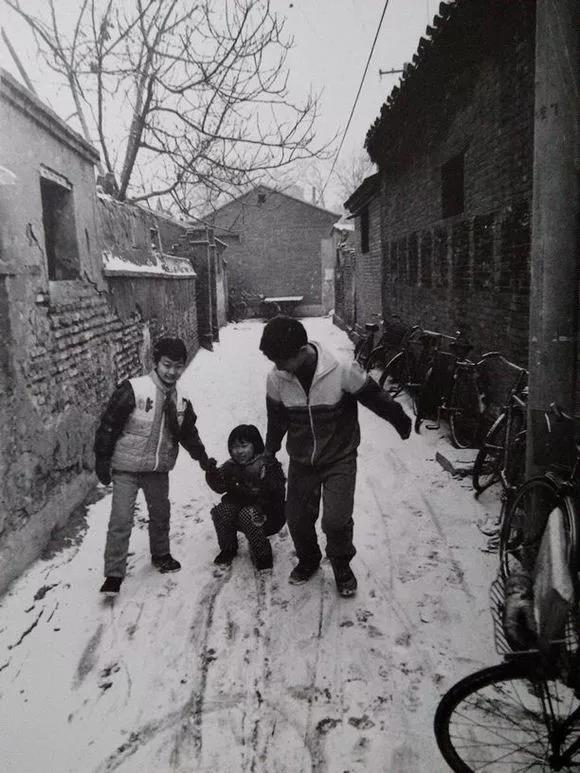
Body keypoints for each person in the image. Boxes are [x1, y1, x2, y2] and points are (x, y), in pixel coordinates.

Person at [259, 316, 412, 598]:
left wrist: (399, 419)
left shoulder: (340, 369)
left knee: (336, 521)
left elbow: (375, 397)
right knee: (297, 518)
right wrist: (269, 452)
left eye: (281, 360)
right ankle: (309, 560)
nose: (277, 366)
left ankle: (341, 566)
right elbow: (276, 420)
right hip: (302, 460)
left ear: (302, 350)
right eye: (273, 360)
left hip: (339, 457)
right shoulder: (276, 379)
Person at [94, 337, 215, 596]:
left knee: (161, 513)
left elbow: (188, 434)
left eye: (178, 366)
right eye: (167, 365)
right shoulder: (134, 389)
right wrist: (102, 458)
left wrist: (203, 458)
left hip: (157, 470)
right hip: (126, 468)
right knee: (121, 519)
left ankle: (161, 554)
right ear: (156, 362)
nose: (172, 372)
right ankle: (113, 574)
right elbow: (109, 424)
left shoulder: (182, 400)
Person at [205, 424, 286, 571]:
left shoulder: (266, 464)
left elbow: (277, 492)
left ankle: (263, 555)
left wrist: (261, 504)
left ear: (255, 445)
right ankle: (228, 548)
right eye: (234, 447)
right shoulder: (230, 466)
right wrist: (211, 473)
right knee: (220, 511)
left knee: (248, 514)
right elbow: (220, 487)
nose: (239, 451)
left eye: (244, 446)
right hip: (241, 512)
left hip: (268, 515)